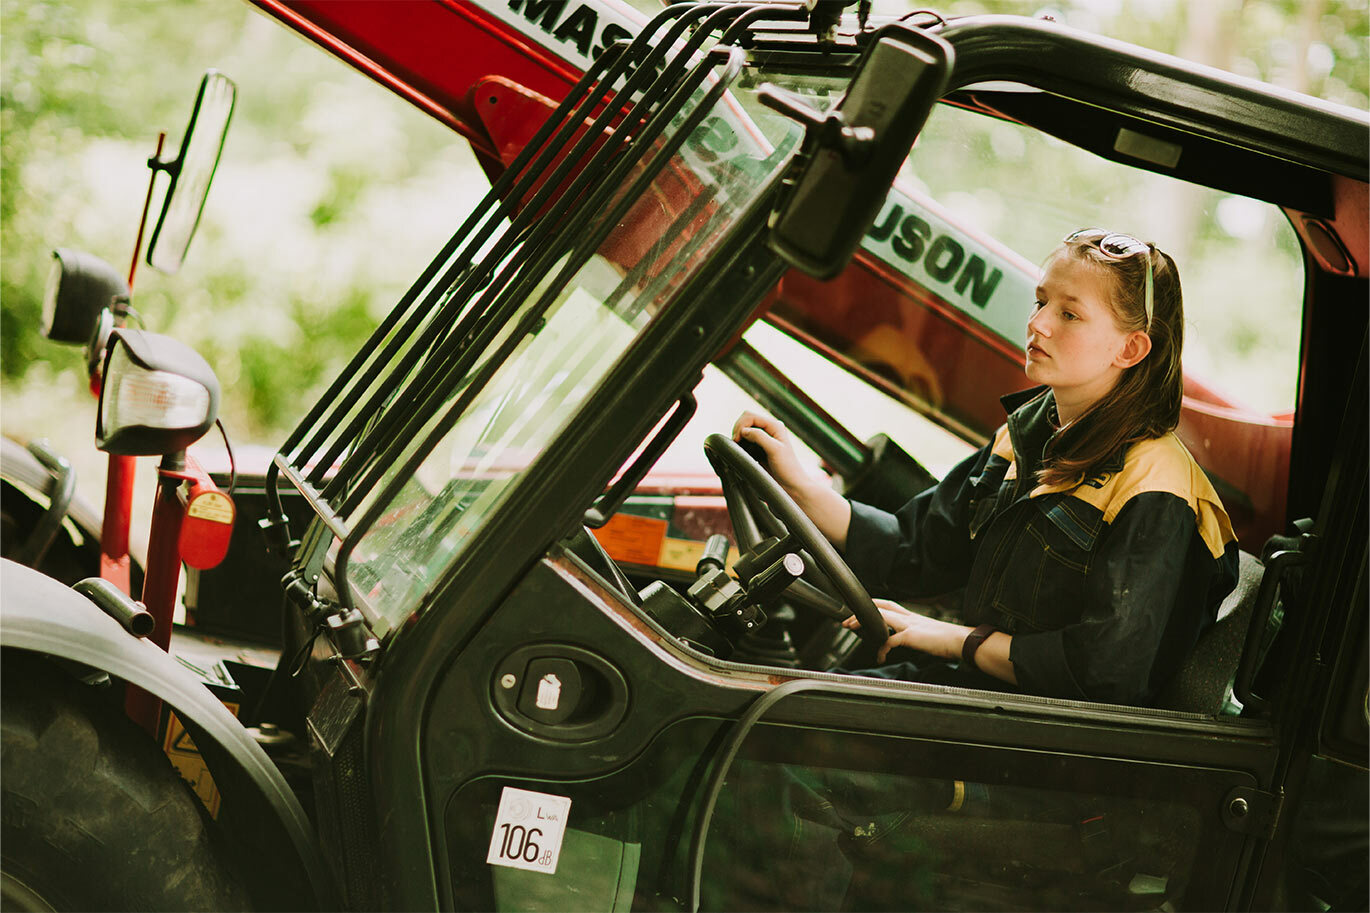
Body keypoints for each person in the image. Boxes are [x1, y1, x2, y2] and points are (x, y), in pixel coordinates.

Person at [734, 228, 1240, 706]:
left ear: (1131, 348)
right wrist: (797, 482)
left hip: (1034, 744)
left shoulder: (1157, 490)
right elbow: (917, 548)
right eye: (1042, 302)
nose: (1037, 323)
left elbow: (1102, 673)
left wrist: (957, 641)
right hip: (978, 693)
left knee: (781, 724)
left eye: (1070, 314)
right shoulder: (1028, 435)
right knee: (777, 700)